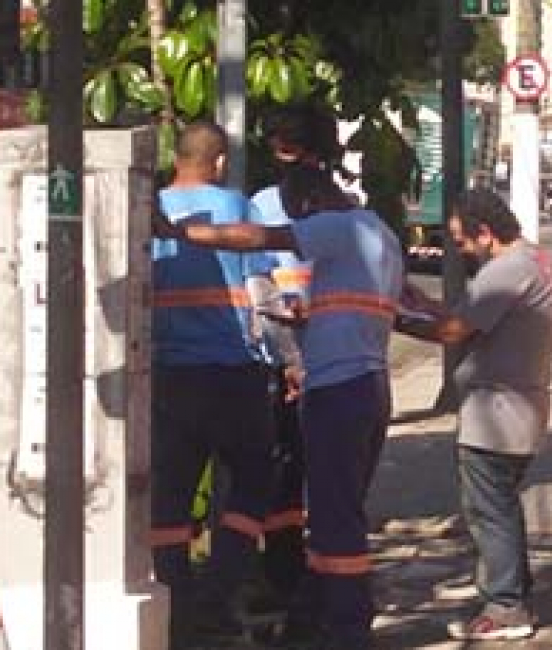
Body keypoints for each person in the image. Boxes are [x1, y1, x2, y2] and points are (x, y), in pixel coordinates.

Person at [154, 161, 405, 650]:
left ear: (310, 205)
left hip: (338, 387)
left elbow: (257, 238)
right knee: (335, 508)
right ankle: (309, 616)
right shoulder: (382, 234)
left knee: (334, 519)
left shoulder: (338, 227)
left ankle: (348, 628)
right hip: (367, 383)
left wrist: (182, 232)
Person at [396, 188, 552, 642]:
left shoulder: (507, 272)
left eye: (462, 241)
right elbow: (469, 316)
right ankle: (511, 589)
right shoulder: (533, 261)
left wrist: (394, 319)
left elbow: (453, 331)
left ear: (485, 234)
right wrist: (422, 304)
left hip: (497, 416)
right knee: (501, 508)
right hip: (517, 409)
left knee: (489, 512)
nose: (460, 250)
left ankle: (505, 606)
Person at [149, 119, 278, 646]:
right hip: (234, 372)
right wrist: (285, 360)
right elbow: (265, 294)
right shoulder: (237, 210)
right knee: (252, 482)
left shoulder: (150, 209)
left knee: (171, 496)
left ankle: (174, 598)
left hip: (168, 373)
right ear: (220, 161)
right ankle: (219, 591)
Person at [247, 102, 349, 614]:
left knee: (302, 471)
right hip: (311, 364)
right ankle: (297, 576)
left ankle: (301, 579)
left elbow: (261, 291)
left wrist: (292, 363)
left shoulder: (273, 206)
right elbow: (262, 293)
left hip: (311, 364)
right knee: (302, 473)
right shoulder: (338, 206)